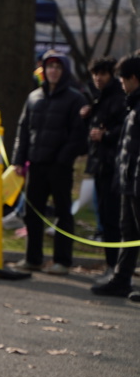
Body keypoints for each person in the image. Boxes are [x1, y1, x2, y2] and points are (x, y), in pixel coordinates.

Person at [11, 50, 88, 275]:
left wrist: (63, 159)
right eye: (50, 66)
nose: (53, 71)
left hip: (60, 167)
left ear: (65, 71)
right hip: (36, 164)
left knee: (63, 213)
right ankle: (33, 258)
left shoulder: (75, 99)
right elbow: (23, 130)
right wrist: (19, 159)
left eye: (58, 67)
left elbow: (78, 135)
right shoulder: (34, 97)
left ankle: (62, 261)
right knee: (32, 212)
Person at [92, 55, 140, 300]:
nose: (121, 83)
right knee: (128, 232)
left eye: (123, 78)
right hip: (128, 180)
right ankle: (121, 280)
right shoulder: (133, 104)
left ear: (134, 79)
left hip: (136, 181)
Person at [80, 58, 126, 281]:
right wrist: (87, 119)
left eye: (103, 74)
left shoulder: (118, 97)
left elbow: (123, 130)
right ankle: (111, 265)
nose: (98, 78)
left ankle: (115, 267)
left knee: (113, 219)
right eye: (95, 74)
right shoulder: (98, 98)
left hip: (112, 167)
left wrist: (105, 135)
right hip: (100, 165)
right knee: (105, 218)